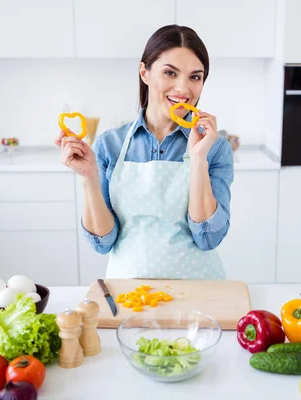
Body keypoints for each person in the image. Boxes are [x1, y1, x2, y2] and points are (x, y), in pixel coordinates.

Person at [55, 25, 234, 280]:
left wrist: (198, 160)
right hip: (128, 294)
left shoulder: (215, 148)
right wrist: (89, 177)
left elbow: (208, 238)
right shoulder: (110, 144)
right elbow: (102, 242)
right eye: (170, 73)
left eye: (195, 77)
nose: (183, 89)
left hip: (199, 292)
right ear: (145, 73)